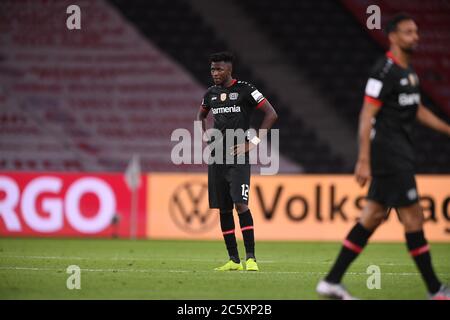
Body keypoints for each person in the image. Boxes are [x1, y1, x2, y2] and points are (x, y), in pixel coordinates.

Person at [316, 13, 450, 299]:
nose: (416, 37)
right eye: (409, 32)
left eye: (417, 32)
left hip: (399, 152)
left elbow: (417, 109)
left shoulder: (408, 72)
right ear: (393, 36)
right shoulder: (384, 71)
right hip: (389, 155)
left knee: (372, 216)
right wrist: (363, 159)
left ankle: (331, 281)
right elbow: (367, 114)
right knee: (413, 219)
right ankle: (436, 290)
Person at [197, 52, 278, 271]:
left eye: (219, 69)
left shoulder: (246, 90)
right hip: (217, 158)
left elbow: (271, 114)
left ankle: (250, 258)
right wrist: (206, 138)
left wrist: (252, 142)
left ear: (229, 70)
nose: (215, 73)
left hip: (238, 156)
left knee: (240, 205)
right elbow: (201, 116)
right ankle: (233, 260)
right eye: (212, 69)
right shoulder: (210, 94)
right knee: (223, 209)